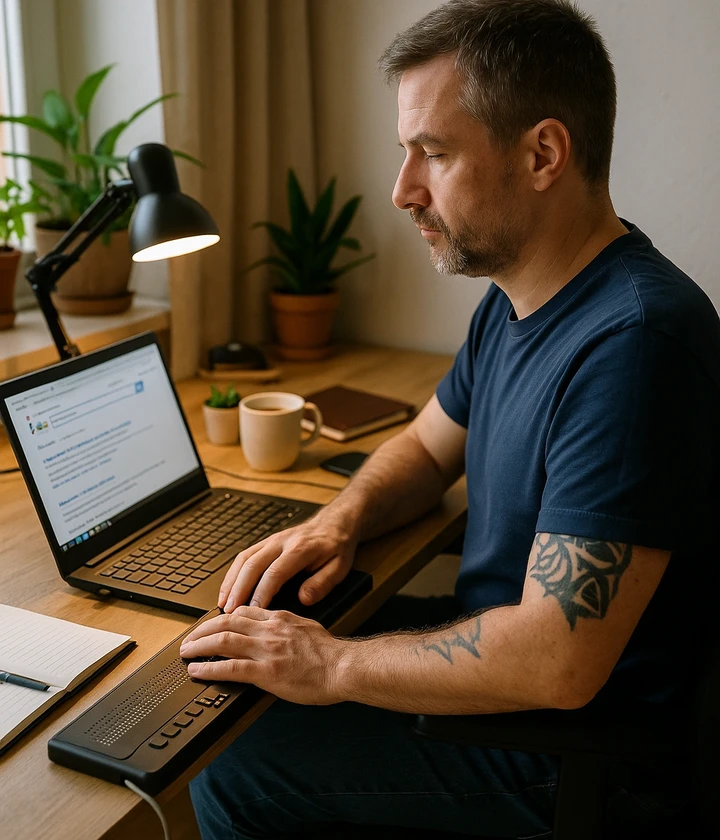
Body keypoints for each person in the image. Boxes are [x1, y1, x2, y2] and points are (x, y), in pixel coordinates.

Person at [183, 1, 720, 837]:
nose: (403, 190)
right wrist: (341, 520)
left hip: (573, 754)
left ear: (543, 153)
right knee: (235, 678)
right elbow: (429, 448)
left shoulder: (635, 344)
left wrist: (333, 666)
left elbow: (558, 661)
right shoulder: (515, 302)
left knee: (232, 772)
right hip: (505, 670)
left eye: (433, 153)